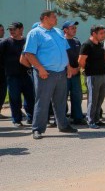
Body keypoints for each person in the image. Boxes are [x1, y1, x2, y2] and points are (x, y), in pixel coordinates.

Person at [22, 10, 78, 139]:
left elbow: (64, 51)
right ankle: (37, 128)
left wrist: (68, 66)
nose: (56, 19)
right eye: (54, 17)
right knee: (43, 101)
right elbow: (29, 54)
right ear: (45, 18)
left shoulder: (58, 32)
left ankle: (63, 125)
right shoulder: (35, 33)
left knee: (61, 100)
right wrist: (40, 68)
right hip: (45, 73)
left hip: (61, 72)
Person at [0, 22, 34, 128]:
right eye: (10, 30)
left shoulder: (26, 41)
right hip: (12, 75)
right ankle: (17, 120)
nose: (12, 31)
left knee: (30, 97)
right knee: (14, 98)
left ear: (21, 29)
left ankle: (31, 117)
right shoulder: (5, 42)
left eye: (14, 29)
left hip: (26, 74)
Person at [78, 25, 105, 128]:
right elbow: (81, 61)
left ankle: (97, 119)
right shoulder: (87, 45)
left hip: (102, 75)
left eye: (104, 33)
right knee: (93, 99)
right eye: (101, 33)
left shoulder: (100, 45)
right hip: (92, 76)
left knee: (100, 99)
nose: (103, 35)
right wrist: (88, 70)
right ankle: (90, 121)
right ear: (94, 34)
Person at [61, 21, 86, 124]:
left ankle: (77, 117)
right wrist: (69, 68)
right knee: (62, 96)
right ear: (65, 30)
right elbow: (61, 56)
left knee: (77, 95)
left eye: (75, 28)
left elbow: (80, 56)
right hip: (64, 73)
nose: (74, 30)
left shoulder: (76, 41)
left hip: (76, 73)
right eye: (72, 28)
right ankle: (62, 118)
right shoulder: (61, 41)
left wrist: (78, 68)